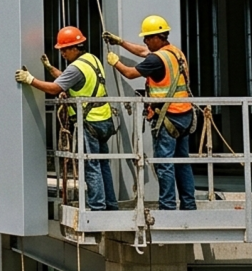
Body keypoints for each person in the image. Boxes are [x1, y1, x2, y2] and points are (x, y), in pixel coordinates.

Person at [16, 25, 119, 211]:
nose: (62, 53)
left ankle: (97, 206)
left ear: (75, 47)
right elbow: (69, 79)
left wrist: (30, 79)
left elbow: (56, 88)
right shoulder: (92, 60)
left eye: (64, 49)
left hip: (89, 122)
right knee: (103, 163)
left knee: (91, 164)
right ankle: (110, 204)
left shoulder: (76, 67)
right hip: (104, 120)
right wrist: (50, 69)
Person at [103, 15, 197, 212]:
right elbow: (144, 51)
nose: (145, 41)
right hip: (184, 115)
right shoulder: (174, 53)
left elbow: (129, 73)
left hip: (168, 118)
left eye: (147, 37)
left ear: (157, 37)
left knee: (164, 164)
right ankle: (189, 205)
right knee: (182, 162)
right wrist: (120, 42)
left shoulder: (156, 59)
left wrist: (115, 62)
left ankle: (168, 207)